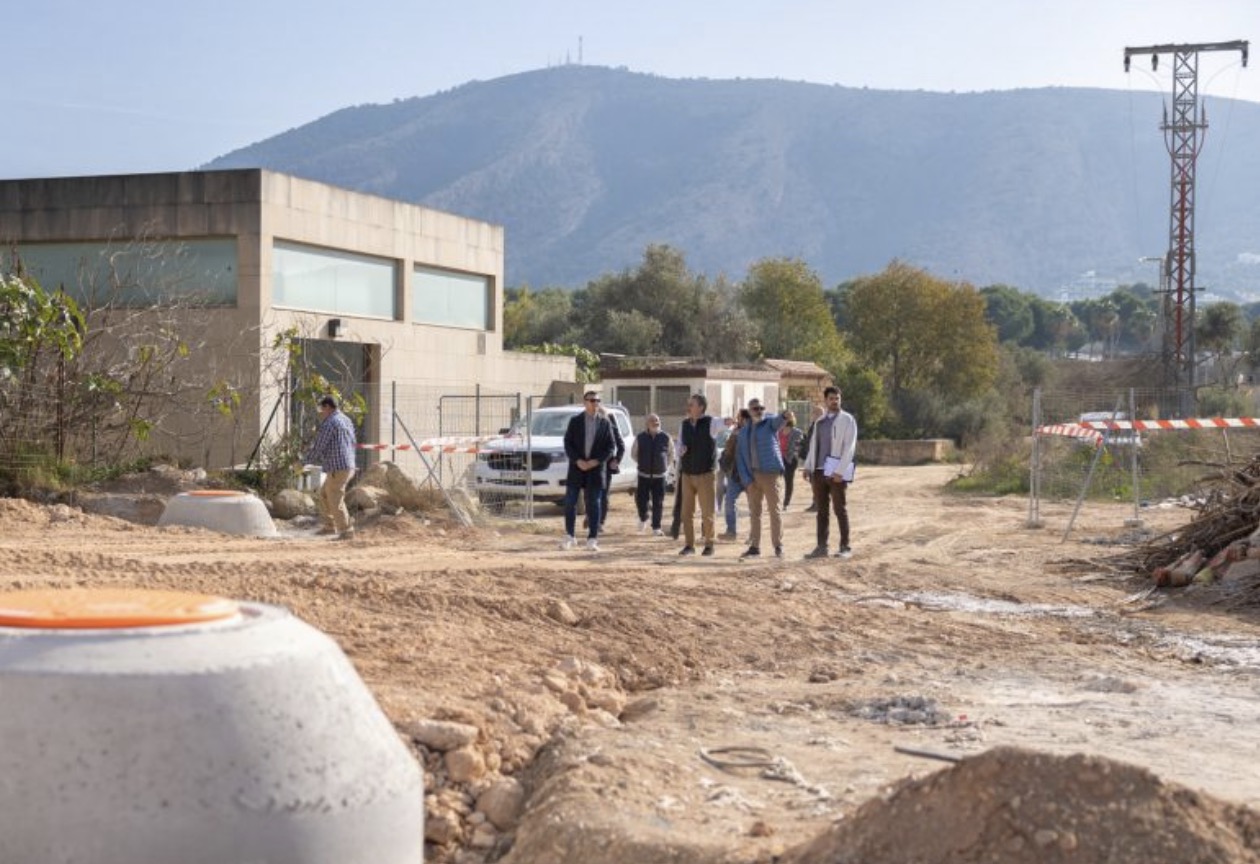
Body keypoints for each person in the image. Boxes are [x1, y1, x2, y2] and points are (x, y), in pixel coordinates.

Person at [802, 386, 857, 560]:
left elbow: (850, 447)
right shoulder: (820, 422)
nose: (835, 401)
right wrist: (808, 466)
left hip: (836, 472)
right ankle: (821, 547)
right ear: (825, 400)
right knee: (822, 511)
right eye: (832, 398)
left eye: (837, 398)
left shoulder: (847, 420)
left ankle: (845, 547)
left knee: (840, 509)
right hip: (818, 472)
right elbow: (813, 446)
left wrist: (841, 471)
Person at [560, 391, 617, 552]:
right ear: (584, 402)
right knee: (570, 502)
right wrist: (578, 460)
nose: (595, 403)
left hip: (595, 470)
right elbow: (568, 443)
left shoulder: (605, 423)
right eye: (592, 400)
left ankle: (592, 538)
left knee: (594, 504)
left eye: (598, 400)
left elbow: (610, 446)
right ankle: (569, 536)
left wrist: (595, 461)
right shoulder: (575, 421)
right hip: (577, 468)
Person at [735, 398, 786, 559]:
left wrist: (785, 415)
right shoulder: (744, 432)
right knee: (755, 513)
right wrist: (746, 480)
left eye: (761, 408)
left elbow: (779, 421)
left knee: (774, 511)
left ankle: (778, 546)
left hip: (770, 474)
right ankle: (755, 547)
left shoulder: (769, 423)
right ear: (749, 412)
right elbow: (741, 457)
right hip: (752, 476)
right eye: (755, 409)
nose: (759, 411)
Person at [304, 394, 358, 541]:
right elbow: (353, 441)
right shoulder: (346, 419)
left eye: (322, 408)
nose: (321, 412)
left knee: (335, 498)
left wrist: (305, 461)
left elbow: (319, 446)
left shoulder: (330, 422)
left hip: (337, 467)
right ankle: (330, 525)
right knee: (324, 494)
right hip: (347, 465)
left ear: (328, 407)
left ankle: (346, 530)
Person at [676, 393, 720, 556]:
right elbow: (679, 445)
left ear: (700, 407)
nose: (689, 407)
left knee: (707, 512)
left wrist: (730, 421)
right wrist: (681, 450)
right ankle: (689, 545)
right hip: (687, 474)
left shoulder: (711, 422)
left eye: (692, 404)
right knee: (686, 513)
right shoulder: (684, 424)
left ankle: (709, 544)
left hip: (706, 474)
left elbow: (724, 424)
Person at [631, 413, 673, 536]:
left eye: (657, 420)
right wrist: (643, 463)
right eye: (653, 420)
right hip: (643, 475)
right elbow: (634, 454)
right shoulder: (640, 437)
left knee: (658, 502)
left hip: (659, 476)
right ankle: (643, 517)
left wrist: (664, 466)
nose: (656, 422)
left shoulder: (666, 437)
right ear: (647, 424)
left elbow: (671, 454)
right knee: (641, 500)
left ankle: (656, 527)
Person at [718, 410, 750, 540]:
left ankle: (754, 535)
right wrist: (726, 467)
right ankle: (731, 531)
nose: (739, 420)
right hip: (735, 475)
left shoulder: (754, 433)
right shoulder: (734, 433)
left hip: (750, 476)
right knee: (730, 502)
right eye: (740, 418)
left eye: (741, 418)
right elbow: (728, 452)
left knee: (754, 507)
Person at [597, 404, 625, 534]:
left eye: (601, 415)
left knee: (603, 494)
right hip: (590, 466)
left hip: (606, 467)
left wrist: (616, 460)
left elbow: (621, 446)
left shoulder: (612, 428)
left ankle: (600, 522)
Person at [800, 404, 825, 513]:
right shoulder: (814, 425)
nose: (813, 415)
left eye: (816, 413)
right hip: (811, 458)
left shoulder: (822, 426)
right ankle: (815, 503)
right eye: (814, 413)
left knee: (817, 483)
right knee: (813, 482)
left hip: (819, 460)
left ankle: (819, 504)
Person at [778, 410, 805, 510]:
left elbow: (799, 446)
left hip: (790, 460)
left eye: (791, 416)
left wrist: (794, 453)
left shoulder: (797, 432)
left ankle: (786, 503)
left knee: (788, 481)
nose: (788, 418)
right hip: (778, 459)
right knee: (774, 481)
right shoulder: (778, 431)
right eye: (786, 416)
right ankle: (774, 501)